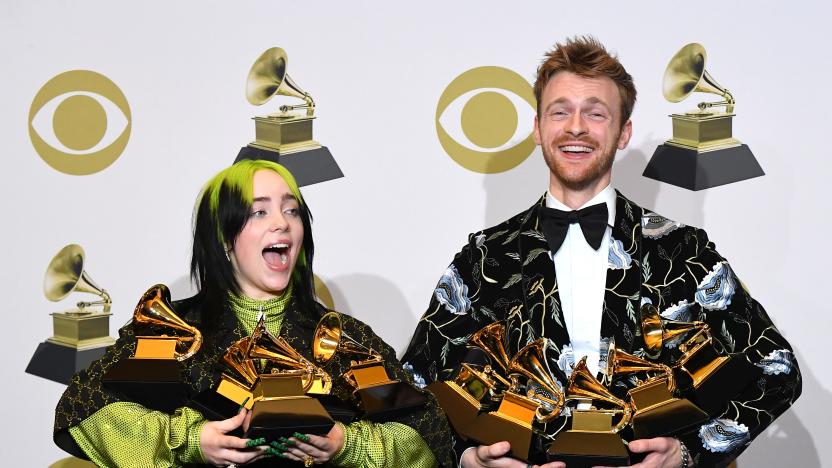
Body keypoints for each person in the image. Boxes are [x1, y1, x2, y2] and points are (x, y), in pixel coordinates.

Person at [402, 36, 801, 468]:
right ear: (538, 129)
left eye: (595, 113)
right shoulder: (483, 258)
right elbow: (414, 390)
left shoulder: (683, 250)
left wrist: (690, 453)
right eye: (560, 111)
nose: (576, 127)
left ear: (623, 132)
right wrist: (468, 459)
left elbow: (776, 370)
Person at [54, 159, 454, 467]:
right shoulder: (169, 330)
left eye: (291, 210)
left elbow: (426, 430)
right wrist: (191, 441)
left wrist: (348, 446)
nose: (282, 223)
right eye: (259, 212)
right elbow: (84, 409)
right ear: (223, 236)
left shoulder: (344, 338)